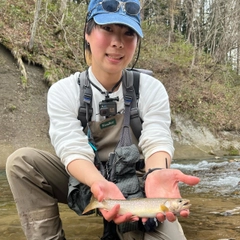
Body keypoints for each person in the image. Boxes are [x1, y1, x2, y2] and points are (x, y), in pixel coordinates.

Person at [6, 0, 200, 239]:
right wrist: (99, 185)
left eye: (128, 33)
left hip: (137, 188)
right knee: (21, 163)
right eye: (107, 29)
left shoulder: (151, 88)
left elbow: (157, 139)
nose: (118, 42)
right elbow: (72, 148)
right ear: (87, 33)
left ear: (137, 42)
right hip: (88, 183)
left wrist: (157, 172)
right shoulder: (63, 91)